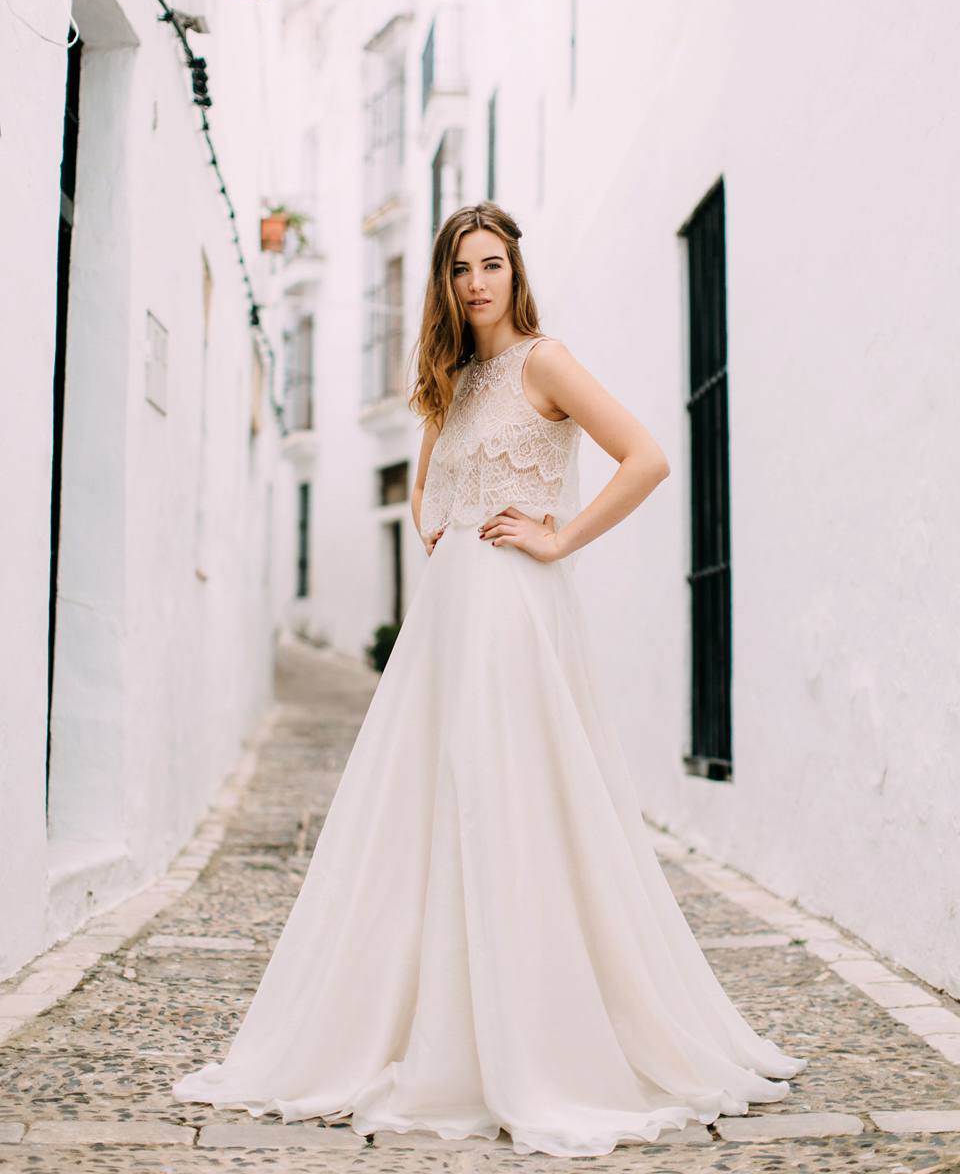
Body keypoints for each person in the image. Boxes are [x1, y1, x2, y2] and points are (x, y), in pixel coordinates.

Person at [174, 201, 804, 1158]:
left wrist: (556, 538)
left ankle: (536, 1036)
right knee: (427, 807)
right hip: (447, 619)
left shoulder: (543, 361)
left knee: (514, 802)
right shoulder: (455, 380)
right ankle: (427, 1022)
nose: (476, 282)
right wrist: (438, 521)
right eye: (461, 267)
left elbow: (648, 457)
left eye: (491, 264)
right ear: (445, 281)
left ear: (516, 272)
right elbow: (428, 483)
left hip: (513, 612)